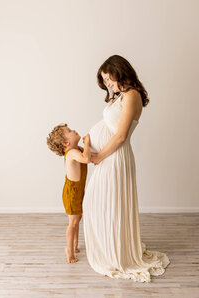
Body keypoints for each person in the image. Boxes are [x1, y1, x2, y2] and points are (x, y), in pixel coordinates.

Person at [82, 55, 170, 282]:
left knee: (111, 205)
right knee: (100, 203)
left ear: (118, 70)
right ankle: (110, 248)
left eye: (107, 78)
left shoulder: (132, 96)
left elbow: (121, 136)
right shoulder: (122, 96)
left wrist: (99, 155)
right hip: (109, 157)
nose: (107, 83)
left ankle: (116, 254)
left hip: (115, 157)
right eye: (104, 80)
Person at [46, 124, 91, 263]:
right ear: (66, 143)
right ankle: (69, 251)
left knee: (77, 220)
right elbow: (86, 158)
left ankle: (75, 246)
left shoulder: (77, 149)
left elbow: (90, 155)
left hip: (78, 191)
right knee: (72, 223)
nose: (74, 130)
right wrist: (88, 142)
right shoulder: (72, 153)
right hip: (72, 193)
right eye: (70, 131)